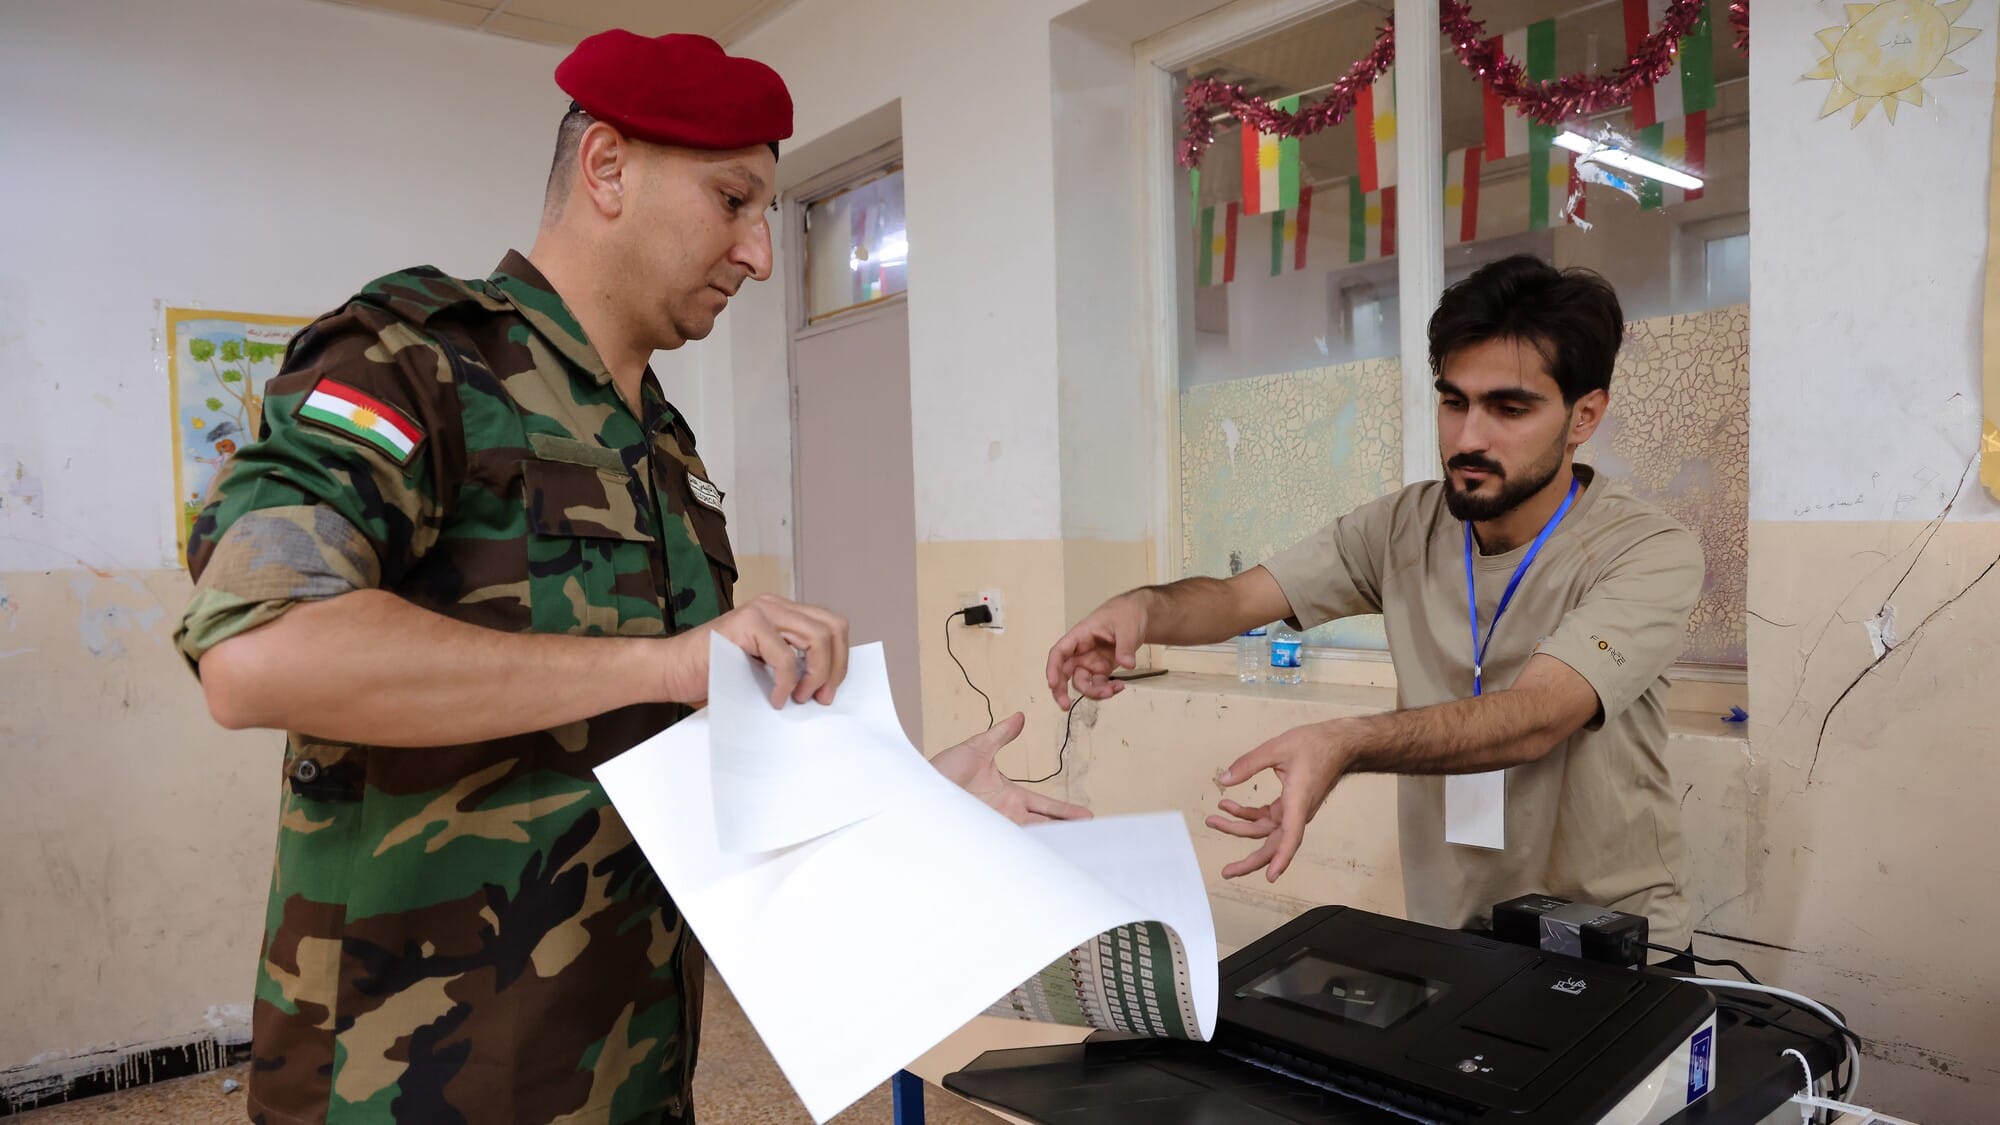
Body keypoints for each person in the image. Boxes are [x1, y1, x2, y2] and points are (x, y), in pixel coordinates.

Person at [176, 30, 1084, 1125]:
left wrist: (910, 808)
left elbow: (673, 762)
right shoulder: (416, 359)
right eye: (733, 201)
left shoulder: (661, 445)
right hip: (411, 1083)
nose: (758, 252)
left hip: (624, 1071)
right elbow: (256, 653)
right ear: (607, 169)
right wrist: (659, 662)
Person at [1046, 255, 1704, 951]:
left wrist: (1347, 741)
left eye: (1510, 408)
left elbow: (1539, 716)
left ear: (1585, 415)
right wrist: (1141, 611)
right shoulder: (1402, 528)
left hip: (1615, 951)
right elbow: (1240, 596)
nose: (1469, 437)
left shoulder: (1645, 550)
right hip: (1457, 941)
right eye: (1454, 401)